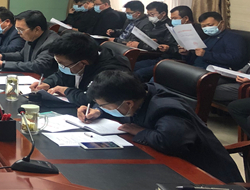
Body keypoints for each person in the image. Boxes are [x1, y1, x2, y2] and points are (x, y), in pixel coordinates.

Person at [77, 71, 242, 183]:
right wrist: (99, 112)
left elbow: (170, 142)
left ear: (128, 103)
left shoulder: (166, 108)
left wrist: (141, 132)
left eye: (105, 106)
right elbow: (121, 109)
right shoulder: (141, 93)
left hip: (208, 177)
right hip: (170, 167)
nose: (104, 108)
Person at [30, 32, 132, 106]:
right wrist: (47, 83)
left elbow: (93, 99)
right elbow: (60, 75)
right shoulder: (75, 59)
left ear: (83, 63)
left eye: (63, 64)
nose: (61, 67)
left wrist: (65, 91)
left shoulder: (111, 71)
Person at [0, 10, 59, 76]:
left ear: (37, 29)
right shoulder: (31, 36)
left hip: (44, 81)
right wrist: (2, 56)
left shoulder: (52, 42)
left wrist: (2, 64)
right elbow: (21, 55)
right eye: (17, 29)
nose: (18, 33)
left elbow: (38, 66)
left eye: (21, 30)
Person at [180, 11, 248, 71]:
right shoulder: (207, 38)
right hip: (197, 69)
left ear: (222, 23)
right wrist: (186, 54)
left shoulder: (233, 37)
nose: (207, 28)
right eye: (203, 26)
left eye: (210, 25)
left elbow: (235, 59)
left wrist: (206, 54)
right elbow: (196, 59)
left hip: (216, 73)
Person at [132, 1, 178, 82]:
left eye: (152, 14)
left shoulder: (170, 27)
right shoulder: (152, 24)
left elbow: (170, 46)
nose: (150, 17)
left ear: (163, 14)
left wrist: (159, 43)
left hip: (165, 58)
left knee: (139, 73)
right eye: (148, 14)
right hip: (155, 56)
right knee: (131, 66)